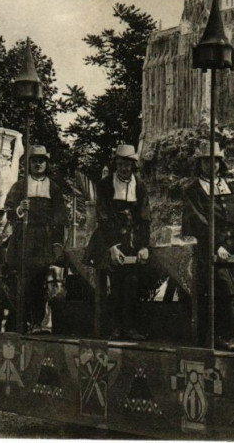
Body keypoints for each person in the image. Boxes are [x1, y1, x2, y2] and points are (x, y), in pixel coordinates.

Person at [182, 141, 234, 351]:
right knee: (223, 287)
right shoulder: (193, 191)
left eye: (215, 161)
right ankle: (223, 336)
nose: (211, 165)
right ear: (200, 163)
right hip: (209, 248)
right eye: (206, 161)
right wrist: (216, 246)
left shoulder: (230, 187)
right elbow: (198, 223)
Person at [85, 144, 151, 341]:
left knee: (132, 281)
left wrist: (144, 246)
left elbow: (145, 217)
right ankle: (114, 327)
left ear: (133, 165)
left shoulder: (139, 185)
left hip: (133, 236)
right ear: (116, 165)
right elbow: (103, 216)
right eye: (121, 164)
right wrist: (112, 246)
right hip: (109, 237)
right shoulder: (105, 184)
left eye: (128, 165)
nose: (124, 168)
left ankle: (130, 327)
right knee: (115, 280)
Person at [4, 145, 68, 334]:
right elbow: (9, 211)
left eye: (42, 161)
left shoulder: (54, 188)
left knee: (45, 278)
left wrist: (57, 242)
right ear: (29, 164)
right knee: (23, 278)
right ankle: (22, 320)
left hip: (45, 239)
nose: (38, 164)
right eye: (34, 161)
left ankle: (41, 321)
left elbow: (61, 217)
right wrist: (19, 210)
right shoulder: (20, 186)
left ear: (46, 164)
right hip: (24, 238)